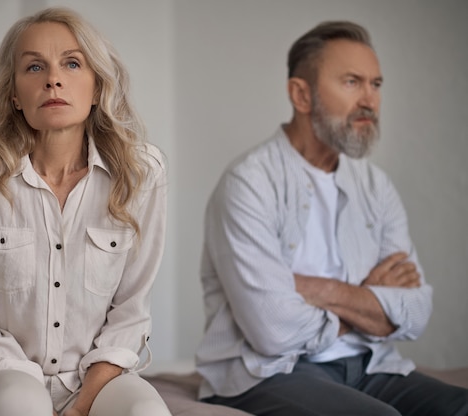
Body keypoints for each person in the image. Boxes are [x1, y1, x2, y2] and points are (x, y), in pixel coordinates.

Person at [195, 21, 468, 416]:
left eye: (376, 84)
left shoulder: (376, 187)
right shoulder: (248, 184)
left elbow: (416, 310)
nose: (370, 101)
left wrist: (314, 289)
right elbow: (274, 333)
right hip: (269, 372)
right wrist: (370, 296)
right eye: (352, 82)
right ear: (300, 94)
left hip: (371, 364)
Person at [0, 7, 171, 416]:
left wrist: (80, 406)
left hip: (93, 379)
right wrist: (42, 405)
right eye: (34, 67)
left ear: (97, 87)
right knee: (20, 402)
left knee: (144, 411)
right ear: (13, 92)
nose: (53, 79)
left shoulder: (141, 172)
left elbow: (131, 316)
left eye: (73, 63)